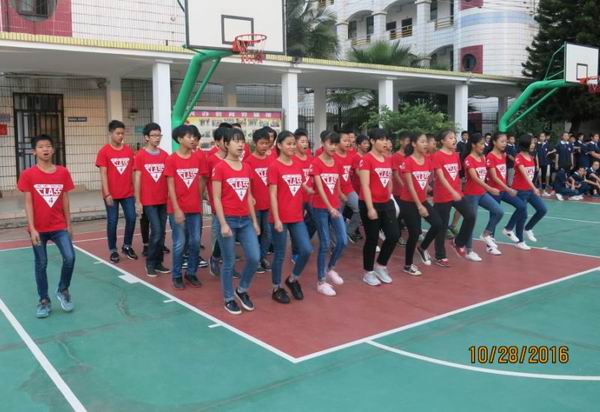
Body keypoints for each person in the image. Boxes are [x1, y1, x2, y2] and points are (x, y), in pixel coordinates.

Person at [18, 135, 76, 318]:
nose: (45, 149)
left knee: (70, 257)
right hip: (38, 229)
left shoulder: (63, 172)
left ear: (53, 150)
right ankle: (44, 300)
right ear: (34, 151)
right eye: (41, 146)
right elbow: (28, 203)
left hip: (59, 226)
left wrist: (69, 224)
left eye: (48, 146)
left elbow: (65, 199)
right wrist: (32, 228)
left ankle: (63, 290)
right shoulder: (28, 174)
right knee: (41, 263)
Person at [213, 128, 260, 314]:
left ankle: (241, 289)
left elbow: (248, 196)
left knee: (255, 257)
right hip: (228, 220)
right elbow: (216, 198)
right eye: (235, 141)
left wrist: (254, 221)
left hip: (245, 220)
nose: (241, 144)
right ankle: (228, 298)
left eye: (242, 141)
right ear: (226, 144)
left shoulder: (246, 167)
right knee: (229, 261)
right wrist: (223, 223)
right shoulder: (220, 168)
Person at [268, 130, 313, 304]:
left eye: (294, 143)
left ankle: (293, 279)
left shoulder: (296, 163)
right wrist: (277, 219)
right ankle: (276, 287)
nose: (293, 146)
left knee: (306, 249)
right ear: (279, 145)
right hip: (280, 218)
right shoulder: (274, 166)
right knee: (280, 254)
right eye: (289, 143)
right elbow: (273, 194)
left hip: (296, 216)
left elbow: (298, 182)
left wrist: (307, 189)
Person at [164, 125, 208, 289]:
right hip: (177, 209)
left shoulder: (198, 158)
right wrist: (177, 209)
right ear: (179, 139)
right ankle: (176, 275)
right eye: (189, 137)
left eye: (194, 137)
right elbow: (170, 186)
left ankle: (191, 272)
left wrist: (200, 198)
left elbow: (203, 178)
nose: (192, 139)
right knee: (179, 243)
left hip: (194, 208)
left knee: (195, 242)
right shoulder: (171, 160)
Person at [357, 128, 399, 286]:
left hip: (386, 203)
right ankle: (368, 272)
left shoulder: (387, 159)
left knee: (393, 235)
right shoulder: (366, 160)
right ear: (373, 141)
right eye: (381, 139)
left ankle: (381, 266)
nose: (385, 142)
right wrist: (370, 208)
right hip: (369, 203)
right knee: (372, 239)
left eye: (386, 139)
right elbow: (365, 185)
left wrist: (389, 197)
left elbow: (388, 180)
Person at [398, 133, 442, 276]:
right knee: (415, 233)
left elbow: (426, 181)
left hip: (422, 200)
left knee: (437, 224)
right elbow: (410, 186)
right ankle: (408, 265)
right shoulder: (408, 162)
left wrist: (429, 189)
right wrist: (419, 206)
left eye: (426, 142)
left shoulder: (427, 161)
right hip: (409, 203)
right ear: (414, 144)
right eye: (422, 142)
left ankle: (422, 248)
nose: (425, 144)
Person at [310, 131, 348, 296]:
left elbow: (336, 182)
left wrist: (340, 195)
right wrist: (330, 207)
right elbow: (319, 188)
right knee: (325, 243)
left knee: (343, 241)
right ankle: (321, 281)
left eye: (335, 144)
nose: (333, 147)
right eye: (330, 143)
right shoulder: (316, 163)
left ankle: (331, 268)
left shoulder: (337, 162)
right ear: (323, 144)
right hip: (320, 208)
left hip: (335, 207)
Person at [431, 130, 476, 267]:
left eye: (454, 138)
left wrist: (459, 190)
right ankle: (440, 256)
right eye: (450, 138)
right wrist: (452, 191)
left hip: (456, 193)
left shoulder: (456, 155)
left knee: (470, 215)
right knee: (442, 227)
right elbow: (441, 177)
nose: (453, 140)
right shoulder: (437, 156)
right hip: (442, 196)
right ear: (442, 141)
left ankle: (458, 242)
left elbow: (456, 175)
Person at [96, 120, 137, 263]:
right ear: (111, 133)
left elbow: (132, 172)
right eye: (118, 133)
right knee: (112, 221)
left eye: (122, 133)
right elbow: (103, 174)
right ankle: (113, 249)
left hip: (128, 193)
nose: (120, 136)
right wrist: (107, 193)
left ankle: (127, 245)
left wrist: (135, 191)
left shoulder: (128, 151)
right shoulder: (104, 151)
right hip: (111, 194)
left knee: (132, 218)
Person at [133, 122, 171, 276]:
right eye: (154, 135)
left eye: (159, 135)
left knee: (162, 233)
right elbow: (137, 178)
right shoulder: (140, 155)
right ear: (146, 137)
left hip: (163, 200)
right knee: (156, 231)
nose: (157, 138)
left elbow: (168, 178)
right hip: (148, 201)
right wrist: (138, 201)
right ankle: (149, 263)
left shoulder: (165, 155)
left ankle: (158, 262)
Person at [462, 133, 504, 260]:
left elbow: (485, 176)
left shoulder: (483, 158)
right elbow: (475, 178)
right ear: (473, 145)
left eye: (483, 144)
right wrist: (490, 188)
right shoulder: (468, 159)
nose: (483, 146)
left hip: (482, 193)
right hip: (471, 195)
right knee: (471, 221)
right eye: (481, 144)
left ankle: (486, 234)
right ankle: (469, 251)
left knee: (499, 211)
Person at [486, 132, 529, 250]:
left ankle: (508, 228)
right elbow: (494, 177)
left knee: (521, 206)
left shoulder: (503, 154)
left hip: (503, 190)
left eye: (506, 141)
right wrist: (508, 188)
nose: (504, 143)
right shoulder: (490, 156)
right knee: (494, 216)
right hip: (495, 191)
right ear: (494, 142)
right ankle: (490, 245)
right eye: (502, 141)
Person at [504, 134, 548, 243]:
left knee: (542, 209)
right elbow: (525, 175)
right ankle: (519, 240)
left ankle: (528, 228)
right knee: (523, 215)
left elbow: (532, 175)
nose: (533, 145)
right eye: (531, 143)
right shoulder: (519, 157)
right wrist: (535, 188)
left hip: (529, 190)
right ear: (525, 144)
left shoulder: (531, 157)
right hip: (520, 190)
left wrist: (533, 188)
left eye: (534, 143)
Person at [244, 127, 272, 273]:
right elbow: (246, 184)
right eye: (261, 143)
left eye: (267, 143)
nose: (264, 146)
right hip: (254, 205)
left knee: (268, 232)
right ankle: (254, 260)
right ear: (255, 143)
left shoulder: (271, 160)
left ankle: (262, 257)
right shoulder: (248, 162)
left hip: (269, 203)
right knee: (255, 232)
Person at [334, 129, 360, 244]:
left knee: (360, 208)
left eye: (349, 141)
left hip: (349, 189)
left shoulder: (351, 155)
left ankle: (348, 231)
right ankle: (335, 242)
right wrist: (340, 193)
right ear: (337, 142)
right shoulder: (333, 156)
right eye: (345, 141)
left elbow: (357, 170)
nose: (348, 143)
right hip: (336, 191)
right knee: (336, 217)